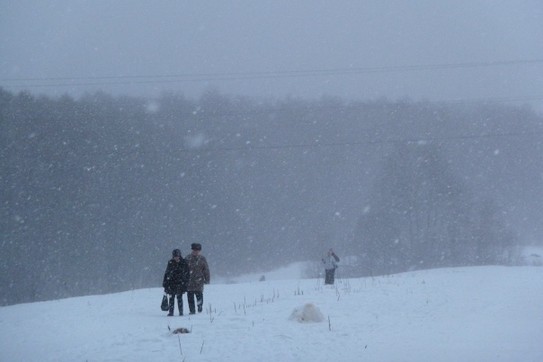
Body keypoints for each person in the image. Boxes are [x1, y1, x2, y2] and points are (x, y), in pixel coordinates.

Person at [162, 249, 189, 316]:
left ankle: (181, 312)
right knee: (171, 298)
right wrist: (165, 283)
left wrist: (185, 282)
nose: (176, 257)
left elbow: (187, 273)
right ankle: (171, 312)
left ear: (180, 255)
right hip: (171, 283)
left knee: (179, 298)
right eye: (175, 256)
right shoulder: (170, 262)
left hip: (180, 283)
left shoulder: (184, 262)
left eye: (177, 256)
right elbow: (167, 273)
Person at [185, 243, 210, 314]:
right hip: (189, 281)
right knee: (190, 297)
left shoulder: (202, 259)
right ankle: (192, 311)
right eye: (194, 250)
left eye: (197, 250)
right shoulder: (187, 258)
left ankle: (199, 309)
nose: (196, 251)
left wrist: (207, 279)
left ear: (200, 251)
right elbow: (183, 270)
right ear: (192, 250)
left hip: (199, 281)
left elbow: (206, 270)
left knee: (199, 296)